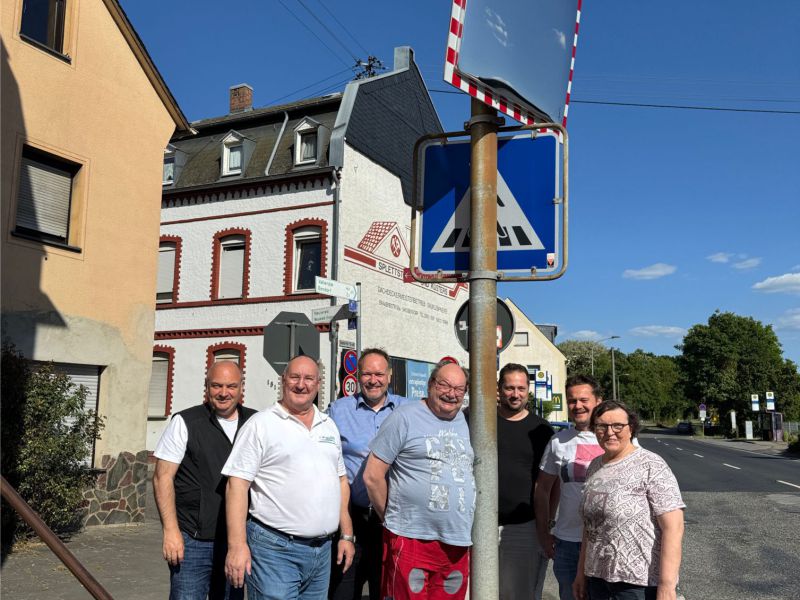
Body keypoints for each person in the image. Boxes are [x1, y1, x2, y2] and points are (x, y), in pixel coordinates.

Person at [222, 355, 355, 600]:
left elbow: (340, 481)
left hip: (322, 552)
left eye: (309, 378)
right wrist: (237, 546)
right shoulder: (261, 424)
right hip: (275, 550)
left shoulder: (328, 425)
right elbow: (237, 486)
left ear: (318, 384)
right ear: (283, 380)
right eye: (294, 377)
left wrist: (346, 534)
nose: (301, 384)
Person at [363, 361, 475, 600]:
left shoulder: (467, 422)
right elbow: (372, 475)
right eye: (444, 385)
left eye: (459, 389)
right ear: (430, 384)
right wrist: (391, 517)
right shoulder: (404, 417)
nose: (451, 394)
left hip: (455, 543)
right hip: (411, 539)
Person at [153, 360, 256, 600]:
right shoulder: (186, 422)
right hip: (194, 541)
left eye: (231, 386)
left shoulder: (255, 422)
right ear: (206, 387)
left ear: (241, 387)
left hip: (238, 541)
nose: (223, 393)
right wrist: (171, 531)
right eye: (216, 385)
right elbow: (162, 478)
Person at [573, 401, 685, 600]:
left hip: (637, 584)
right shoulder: (594, 466)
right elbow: (589, 529)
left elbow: (673, 527)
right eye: (602, 426)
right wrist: (581, 573)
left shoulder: (651, 465)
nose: (610, 432)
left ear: (631, 428)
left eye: (618, 426)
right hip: (597, 580)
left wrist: (667, 586)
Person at [327, 348, 408, 600]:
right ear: (358, 376)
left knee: (386, 591)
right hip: (352, 518)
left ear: (390, 376)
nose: (373, 380)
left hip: (393, 519)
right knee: (343, 591)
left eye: (379, 374)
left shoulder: (408, 409)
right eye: (367, 374)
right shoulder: (338, 411)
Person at [534, 375, 606, 600]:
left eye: (584, 400)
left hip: (606, 541)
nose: (577, 406)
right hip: (568, 542)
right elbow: (542, 489)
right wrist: (544, 533)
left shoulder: (617, 437)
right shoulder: (558, 441)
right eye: (572, 401)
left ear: (598, 401)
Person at [495, 363, 555, 600]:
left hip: (523, 527)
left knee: (519, 593)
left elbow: (552, 484)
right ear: (499, 389)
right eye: (509, 388)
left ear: (528, 390)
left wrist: (546, 524)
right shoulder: (478, 421)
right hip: (479, 525)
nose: (515, 394)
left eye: (521, 388)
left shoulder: (541, 429)